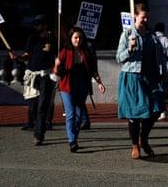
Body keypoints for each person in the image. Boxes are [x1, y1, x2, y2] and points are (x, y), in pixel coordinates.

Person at [115, 3, 165, 159]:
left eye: (147, 17)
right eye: (143, 17)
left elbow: (158, 56)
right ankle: (135, 145)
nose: (145, 20)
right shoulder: (127, 34)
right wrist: (129, 49)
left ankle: (143, 139)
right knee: (135, 113)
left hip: (151, 77)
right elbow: (118, 58)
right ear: (135, 16)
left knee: (156, 109)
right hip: (133, 77)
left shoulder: (152, 35)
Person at [52, 26, 106, 152]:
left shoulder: (86, 52)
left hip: (82, 85)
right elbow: (56, 73)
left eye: (80, 38)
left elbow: (92, 69)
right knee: (70, 114)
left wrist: (99, 82)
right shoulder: (65, 52)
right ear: (70, 38)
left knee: (79, 113)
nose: (78, 40)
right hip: (67, 85)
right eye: (75, 37)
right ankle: (72, 141)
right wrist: (56, 65)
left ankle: (74, 137)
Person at [9, 14, 57, 145]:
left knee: (43, 106)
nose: (35, 26)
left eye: (38, 24)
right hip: (31, 76)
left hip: (46, 77)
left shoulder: (53, 41)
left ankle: (39, 135)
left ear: (45, 25)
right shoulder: (32, 39)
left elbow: (57, 58)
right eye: (35, 24)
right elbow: (26, 56)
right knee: (33, 106)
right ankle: (37, 126)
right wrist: (17, 57)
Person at [154, 22, 168, 120]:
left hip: (154, 68)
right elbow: (167, 53)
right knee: (160, 90)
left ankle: (159, 110)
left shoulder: (152, 38)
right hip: (161, 68)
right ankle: (162, 110)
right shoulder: (164, 39)